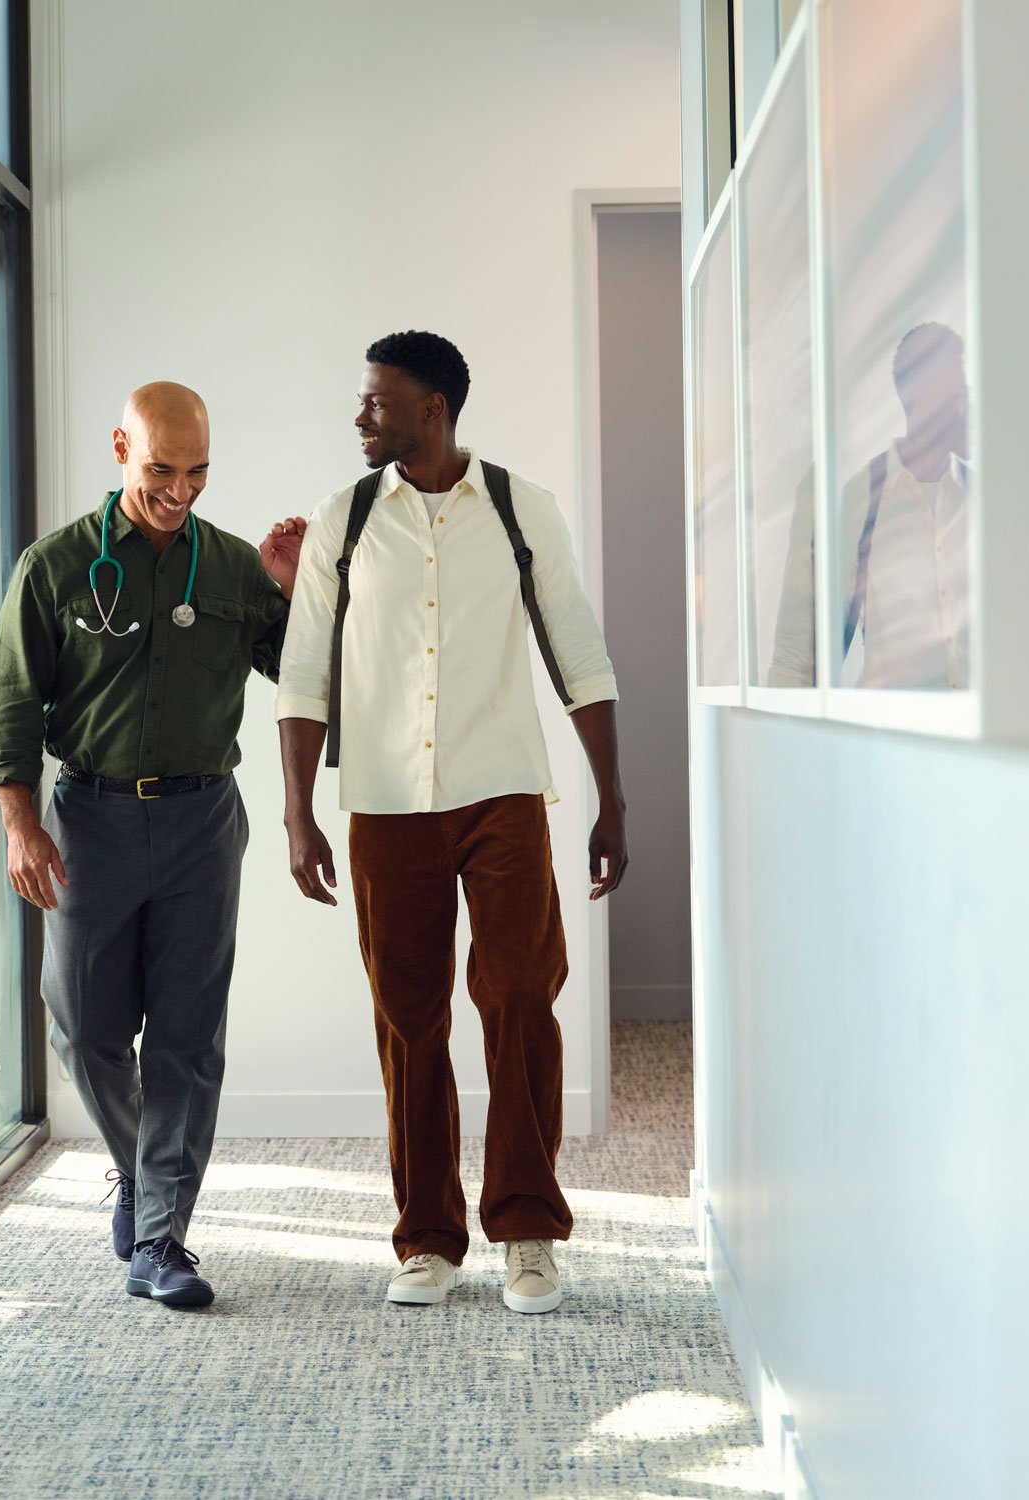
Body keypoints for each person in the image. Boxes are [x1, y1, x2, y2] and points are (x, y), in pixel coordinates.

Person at [274, 331, 629, 1315]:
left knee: (520, 997)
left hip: (502, 792)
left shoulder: (520, 510)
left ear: (430, 409)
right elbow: (304, 674)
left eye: (375, 404)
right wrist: (298, 813)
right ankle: (426, 1237)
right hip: (384, 806)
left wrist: (611, 797)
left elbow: (579, 654)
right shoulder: (344, 520)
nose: (359, 417)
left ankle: (524, 1229)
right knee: (407, 1018)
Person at [0, 381, 306, 1309]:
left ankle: (161, 1237)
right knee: (81, 1024)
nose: (181, 490)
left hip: (203, 822)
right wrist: (19, 820)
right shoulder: (58, 566)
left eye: (198, 472)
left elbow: (309, 674)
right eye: (162, 469)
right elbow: (11, 702)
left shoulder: (234, 568)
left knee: (188, 1042)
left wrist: (300, 588)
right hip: (90, 819)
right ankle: (140, 1170)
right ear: (121, 447)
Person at [838, 321, 972, 691]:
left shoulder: (985, 497)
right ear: (914, 397)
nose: (964, 401)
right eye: (954, 389)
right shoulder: (863, 496)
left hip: (981, 739)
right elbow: (812, 652)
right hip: (890, 737)